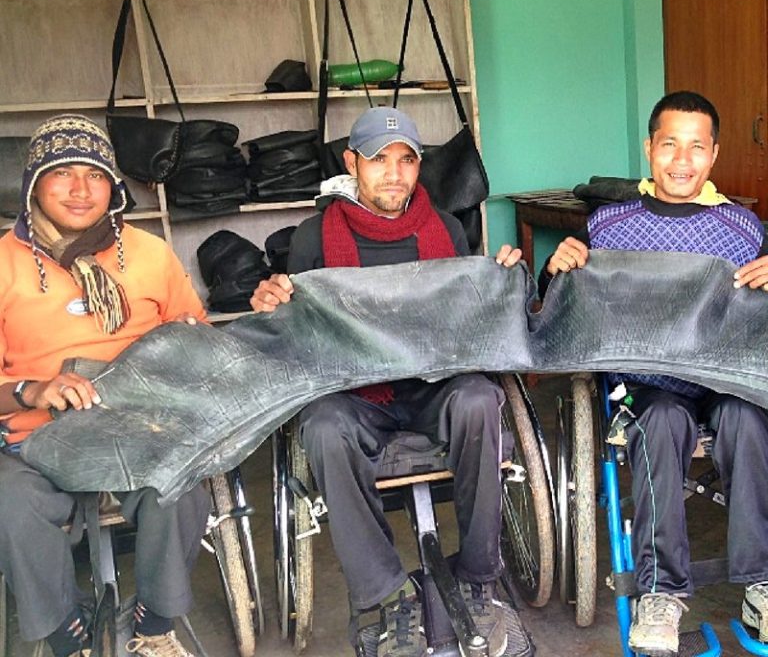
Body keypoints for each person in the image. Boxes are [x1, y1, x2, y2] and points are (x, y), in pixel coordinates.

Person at [251, 106, 522, 657]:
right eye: (379, 160)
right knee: (323, 428)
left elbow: (466, 320)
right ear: (352, 163)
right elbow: (301, 334)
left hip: (432, 384)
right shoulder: (314, 238)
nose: (394, 174)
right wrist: (273, 304)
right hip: (357, 393)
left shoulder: (447, 230)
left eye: (407, 160)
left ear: (419, 167)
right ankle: (384, 593)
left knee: (479, 399)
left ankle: (477, 577)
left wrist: (499, 282)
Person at [539, 91, 768, 656]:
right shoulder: (609, 226)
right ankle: (661, 592)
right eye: (669, 145)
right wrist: (556, 270)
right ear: (649, 149)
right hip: (646, 382)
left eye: (696, 147)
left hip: (721, 375)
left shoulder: (743, 228)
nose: (682, 160)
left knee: (748, 417)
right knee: (660, 421)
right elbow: (568, 309)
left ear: (714, 154)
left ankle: (762, 582)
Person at [0, 115, 211, 657]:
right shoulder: (3, 264)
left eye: (94, 174)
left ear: (113, 185)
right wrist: (32, 390)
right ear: (33, 184)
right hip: (36, 437)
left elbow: (199, 338)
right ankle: (67, 633)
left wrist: (187, 348)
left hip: (140, 426)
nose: (80, 189)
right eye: (62, 173)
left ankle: (154, 624)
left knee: (179, 482)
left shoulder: (148, 253)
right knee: (10, 499)